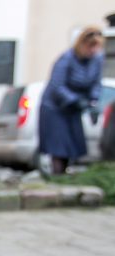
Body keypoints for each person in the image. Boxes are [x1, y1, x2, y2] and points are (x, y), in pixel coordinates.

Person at [38, 27, 104, 175]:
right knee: (59, 146)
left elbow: (96, 83)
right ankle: (57, 178)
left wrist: (93, 101)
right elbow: (57, 85)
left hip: (73, 109)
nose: (93, 50)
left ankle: (64, 176)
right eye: (91, 46)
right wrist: (75, 100)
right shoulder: (66, 59)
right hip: (55, 107)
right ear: (82, 44)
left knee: (72, 145)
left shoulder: (97, 60)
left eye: (96, 47)